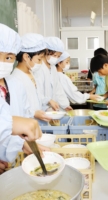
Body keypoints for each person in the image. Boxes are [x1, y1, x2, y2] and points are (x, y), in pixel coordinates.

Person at [0, 23, 44, 174]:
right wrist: (12, 124)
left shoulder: (13, 85)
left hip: (10, 160)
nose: (3, 62)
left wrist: (22, 144)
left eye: (8, 57)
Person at [12, 33, 51, 125]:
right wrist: (33, 113)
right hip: (26, 127)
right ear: (26, 57)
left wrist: (47, 104)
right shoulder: (16, 79)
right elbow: (17, 110)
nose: (41, 63)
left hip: (37, 125)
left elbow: (36, 98)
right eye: (39, 59)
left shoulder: (32, 73)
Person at [33, 37, 72, 111]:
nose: (56, 58)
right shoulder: (38, 68)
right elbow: (36, 91)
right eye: (54, 55)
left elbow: (58, 89)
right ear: (46, 51)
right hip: (41, 109)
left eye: (58, 56)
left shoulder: (53, 68)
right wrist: (47, 101)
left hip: (52, 109)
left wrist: (65, 105)